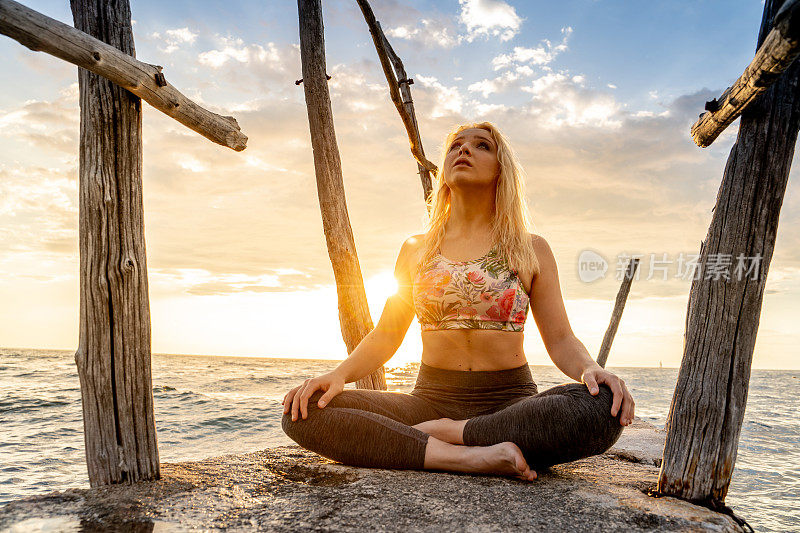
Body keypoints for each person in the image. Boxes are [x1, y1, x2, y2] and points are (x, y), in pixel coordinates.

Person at [282, 122, 635, 481]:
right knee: (303, 408)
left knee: (603, 406)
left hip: (510, 404)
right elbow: (386, 336)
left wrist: (591, 369)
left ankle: (450, 433)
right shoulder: (416, 249)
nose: (463, 150)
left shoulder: (531, 248)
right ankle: (462, 457)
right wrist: (337, 375)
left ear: (502, 169)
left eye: (482, 145)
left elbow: (560, 339)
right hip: (429, 400)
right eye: (455, 146)